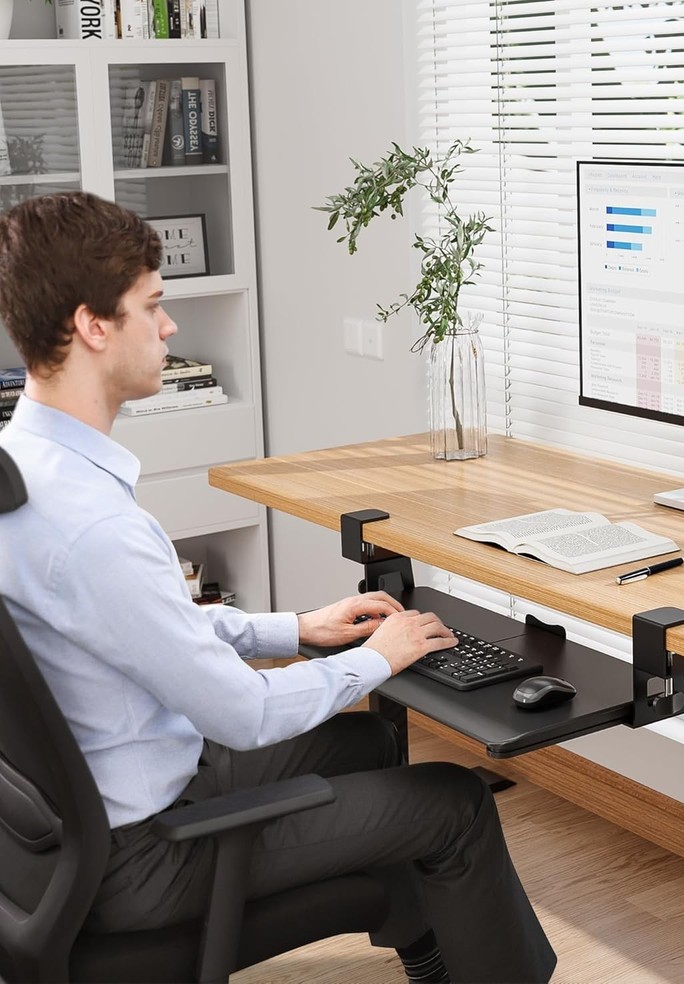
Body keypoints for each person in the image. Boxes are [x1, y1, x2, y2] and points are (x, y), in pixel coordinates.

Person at [0, 191, 556, 984]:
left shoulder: (25, 472)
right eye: (151, 307)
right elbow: (245, 712)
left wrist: (292, 630)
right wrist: (380, 656)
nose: (169, 328)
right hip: (145, 855)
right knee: (454, 802)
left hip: (63, 838)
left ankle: (434, 957)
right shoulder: (94, 529)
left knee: (369, 745)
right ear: (93, 325)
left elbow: (133, 632)